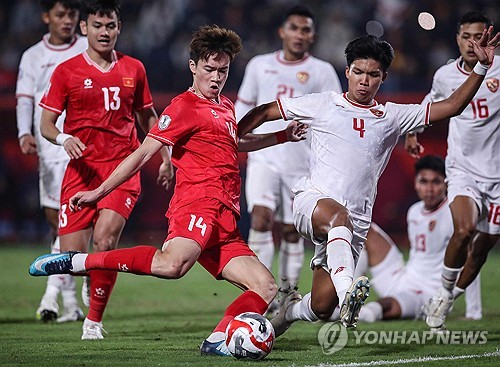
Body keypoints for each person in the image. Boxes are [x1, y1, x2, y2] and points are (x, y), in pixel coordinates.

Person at [29, 24, 307, 356]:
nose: (216, 77)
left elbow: (236, 143)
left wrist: (280, 136)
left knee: (266, 287)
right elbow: (141, 153)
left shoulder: (225, 107)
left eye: (223, 70)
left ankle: (218, 341)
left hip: (225, 220)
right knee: (172, 266)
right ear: (193, 67)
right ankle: (79, 261)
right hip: (198, 205)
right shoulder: (183, 107)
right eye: (209, 69)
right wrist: (98, 192)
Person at [235, 29, 499, 337]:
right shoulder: (323, 104)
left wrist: (481, 68)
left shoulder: (392, 116)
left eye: (373, 74)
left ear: (384, 77)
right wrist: (234, 134)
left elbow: (452, 106)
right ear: (347, 72)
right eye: (358, 72)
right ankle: (350, 295)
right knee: (338, 220)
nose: (364, 80)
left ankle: (288, 312)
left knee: (321, 306)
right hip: (313, 203)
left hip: (354, 225)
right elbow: (268, 110)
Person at [36, 0, 173, 339]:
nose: (104, 32)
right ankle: (93, 281)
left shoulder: (134, 68)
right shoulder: (66, 71)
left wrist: (166, 156)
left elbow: (147, 118)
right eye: (98, 25)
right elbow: (46, 124)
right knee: (74, 256)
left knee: (105, 240)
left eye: (110, 25)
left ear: (119, 28)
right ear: (84, 28)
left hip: (122, 170)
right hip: (80, 172)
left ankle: (93, 322)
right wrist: (64, 138)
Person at [235, 5, 342, 314]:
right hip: (264, 155)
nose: (299, 34)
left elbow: (334, 115)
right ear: (282, 31)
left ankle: (287, 292)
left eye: (306, 29)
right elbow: (244, 108)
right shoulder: (259, 65)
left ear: (313, 36)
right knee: (260, 217)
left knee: (291, 231)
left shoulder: (322, 71)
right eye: (294, 28)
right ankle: (258, 290)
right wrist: (235, 137)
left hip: (301, 161)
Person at [404, 12, 500, 331]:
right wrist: (413, 131)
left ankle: (450, 295)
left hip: (497, 176)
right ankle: (443, 296)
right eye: (466, 36)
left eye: (479, 36)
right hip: (461, 169)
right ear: (457, 39)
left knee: (482, 249)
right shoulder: (445, 75)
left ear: (489, 37)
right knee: (463, 230)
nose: (473, 43)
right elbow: (431, 104)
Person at [15, 0, 87, 322]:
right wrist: (22, 132)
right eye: (61, 14)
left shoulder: (88, 47)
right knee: (55, 221)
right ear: (47, 17)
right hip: (49, 141)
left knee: (70, 223)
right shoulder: (33, 56)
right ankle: (70, 302)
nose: (67, 20)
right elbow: (25, 97)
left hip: (82, 143)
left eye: (72, 14)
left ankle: (50, 296)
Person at [357, 156, 482, 323]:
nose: (429, 188)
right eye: (424, 181)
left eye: (436, 182)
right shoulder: (414, 211)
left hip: (429, 292)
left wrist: (473, 311)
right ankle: (346, 297)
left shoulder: (454, 214)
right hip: (404, 277)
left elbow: (472, 260)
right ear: (415, 183)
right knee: (363, 227)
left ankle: (356, 313)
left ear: (446, 183)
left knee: (384, 306)